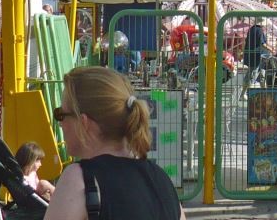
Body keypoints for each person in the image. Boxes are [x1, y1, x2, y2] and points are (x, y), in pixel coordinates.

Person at [45, 66, 185, 220]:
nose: (61, 124)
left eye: (61, 114)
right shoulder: (161, 180)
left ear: (84, 123)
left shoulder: (79, 179)